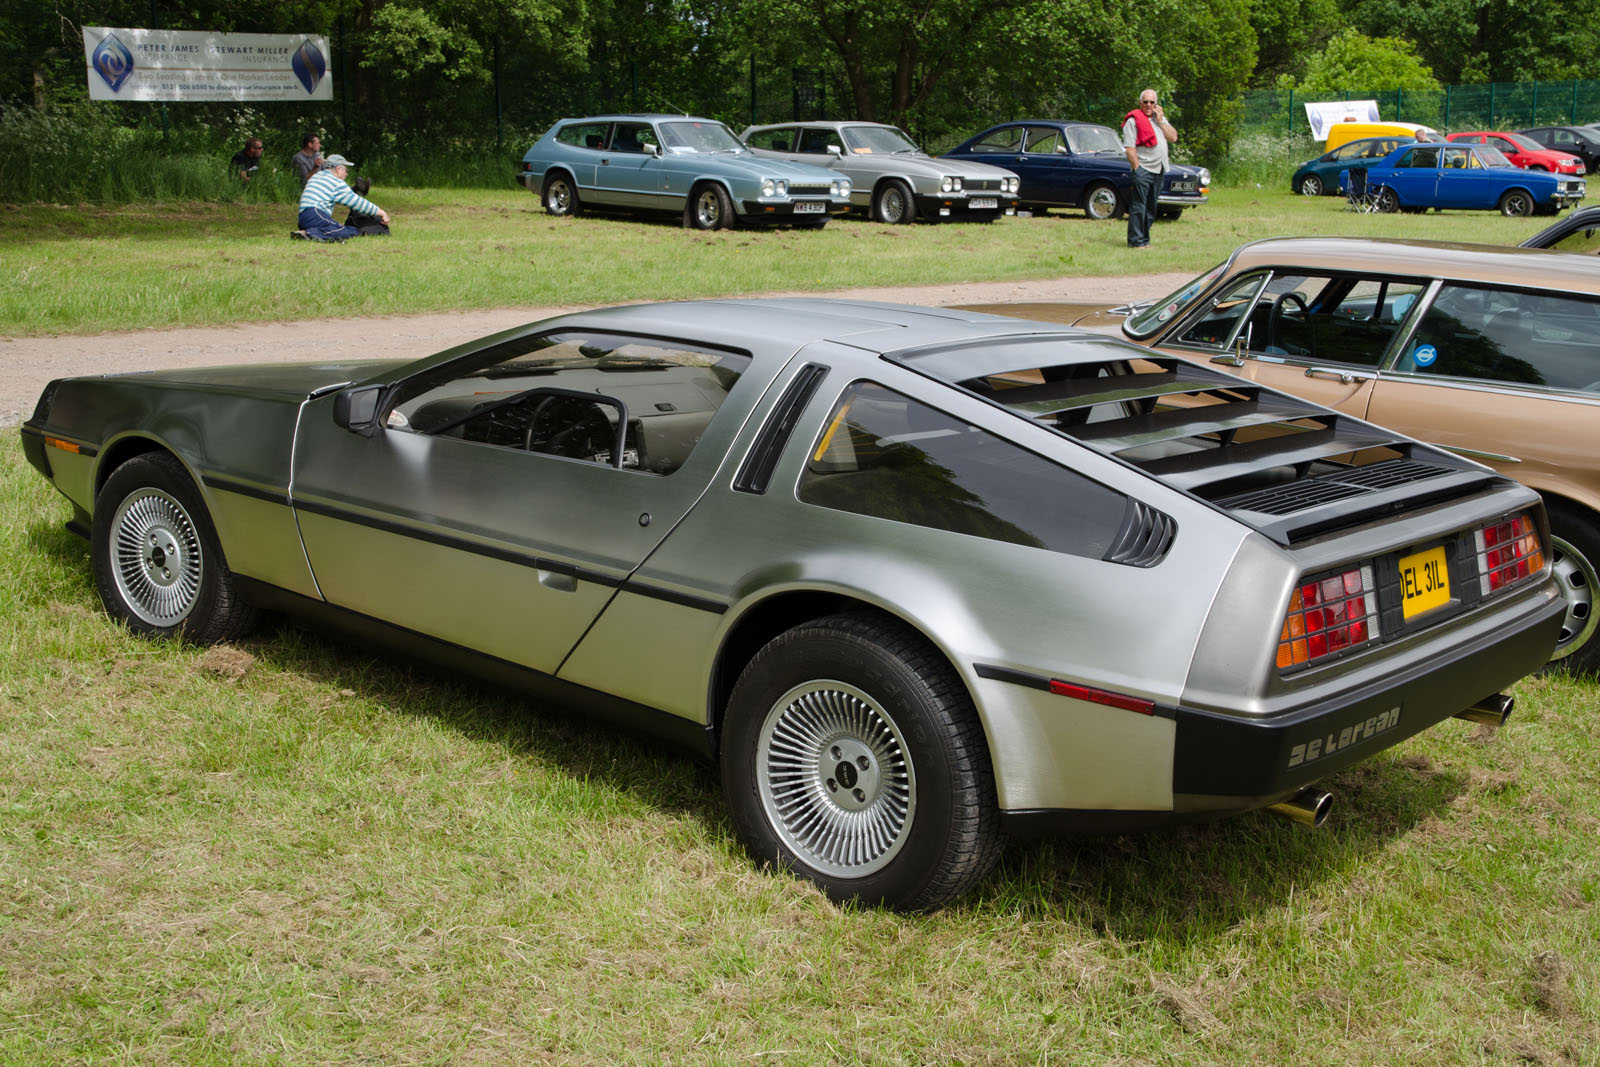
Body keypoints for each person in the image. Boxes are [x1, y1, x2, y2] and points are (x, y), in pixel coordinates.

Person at [1121, 89, 1177, 249]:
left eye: (1152, 102)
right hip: (1144, 169)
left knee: (1151, 207)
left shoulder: (1160, 119)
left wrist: (1161, 121)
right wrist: (1137, 168)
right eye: (1145, 102)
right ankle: (1135, 241)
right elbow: (1129, 148)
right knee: (1139, 206)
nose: (1149, 105)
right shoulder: (1133, 121)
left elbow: (1173, 137)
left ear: (1156, 104)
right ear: (1140, 103)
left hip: (1159, 169)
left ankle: (1145, 239)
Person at [294, 155, 390, 241]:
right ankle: (310, 234)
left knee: (342, 228)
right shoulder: (336, 182)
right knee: (349, 231)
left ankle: (309, 232)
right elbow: (357, 203)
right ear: (338, 169)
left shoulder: (317, 176)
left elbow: (340, 197)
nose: (346, 173)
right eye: (346, 170)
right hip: (315, 214)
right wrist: (381, 212)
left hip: (303, 217)